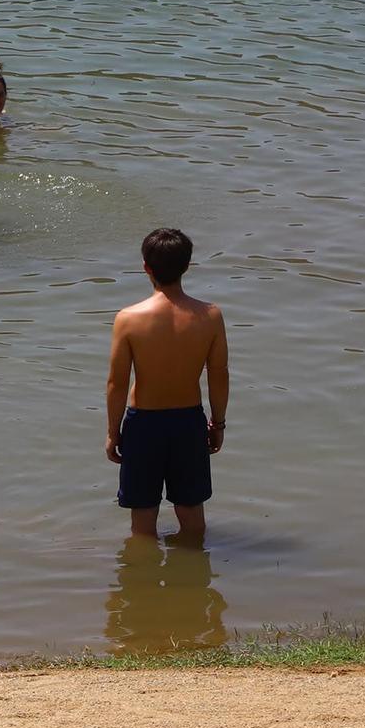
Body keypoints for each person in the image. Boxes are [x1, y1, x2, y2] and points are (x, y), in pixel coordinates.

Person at [106, 228, 229, 539]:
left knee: (143, 518)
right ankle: (193, 575)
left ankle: (145, 583)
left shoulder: (129, 319)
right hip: (188, 422)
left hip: (143, 425)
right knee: (192, 513)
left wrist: (112, 433)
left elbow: (117, 384)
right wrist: (218, 423)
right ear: (187, 266)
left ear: (146, 267)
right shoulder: (210, 316)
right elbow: (218, 374)